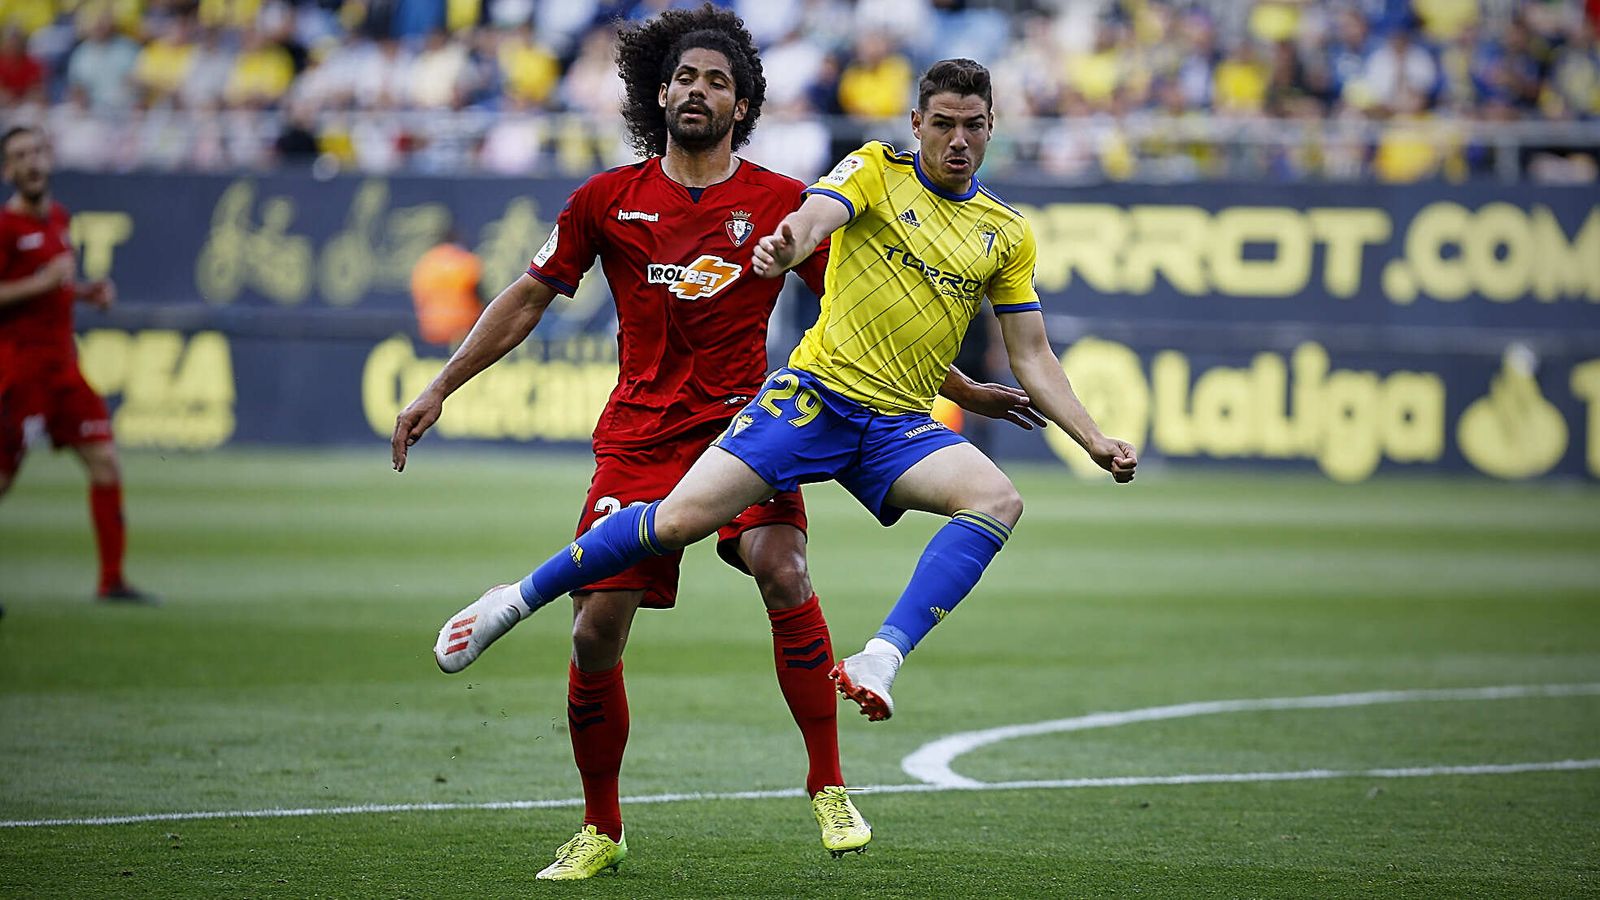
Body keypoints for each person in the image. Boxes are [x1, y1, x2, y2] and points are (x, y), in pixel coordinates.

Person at [392, 8, 1037, 882]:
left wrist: (958, 387)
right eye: (687, 78)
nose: (699, 91)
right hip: (638, 436)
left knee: (785, 568)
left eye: (719, 82)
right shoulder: (604, 201)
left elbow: (866, 317)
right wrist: (439, 386)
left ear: (743, 106)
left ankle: (829, 786)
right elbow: (527, 296)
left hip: (749, 426)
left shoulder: (778, 202)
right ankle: (601, 827)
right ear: (660, 94)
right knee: (595, 633)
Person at [0, 125, 154, 604]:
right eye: (20, 156)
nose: (31, 163)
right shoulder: (5, 228)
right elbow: (29, 287)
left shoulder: (58, 219)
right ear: (8, 170)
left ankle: (112, 581)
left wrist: (86, 291)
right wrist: (42, 284)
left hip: (64, 368)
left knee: (105, 461)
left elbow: (55, 286)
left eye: (37, 152)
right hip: (19, 370)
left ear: (49, 158)